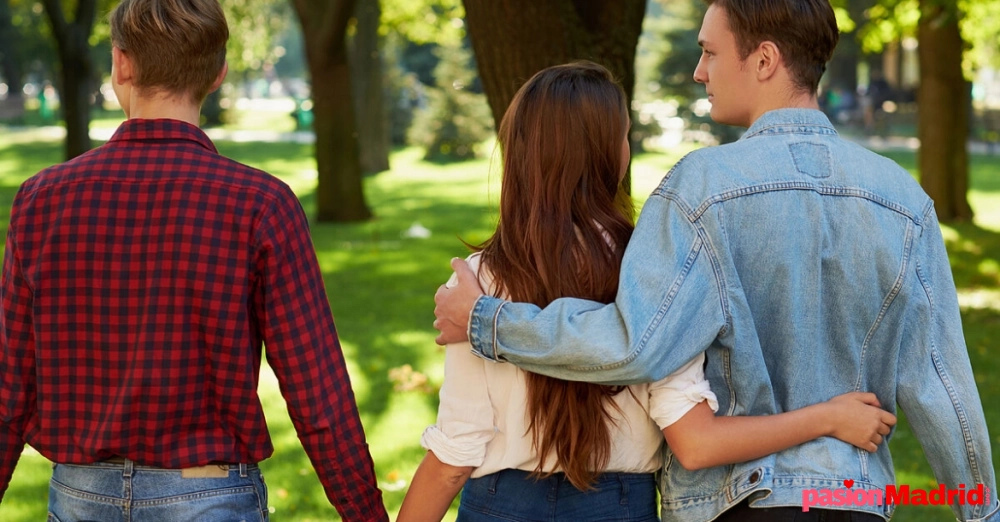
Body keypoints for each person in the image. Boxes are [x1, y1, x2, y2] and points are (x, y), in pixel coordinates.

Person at [433, 1, 998, 521]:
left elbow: (636, 344)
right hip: (851, 499)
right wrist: (981, 511)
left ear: (765, 60)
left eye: (710, 51)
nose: (700, 71)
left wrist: (489, 321)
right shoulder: (902, 199)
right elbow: (943, 385)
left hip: (735, 502)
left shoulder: (701, 188)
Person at [402, 62, 894, 522]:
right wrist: (828, 417)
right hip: (618, 505)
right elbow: (696, 442)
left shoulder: (476, 284)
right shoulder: (660, 268)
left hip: (500, 504)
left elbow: (454, 454)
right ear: (610, 153)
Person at [0, 0, 387, 520]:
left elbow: (9, 385)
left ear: (121, 65)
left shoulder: (41, 200)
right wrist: (365, 512)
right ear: (219, 74)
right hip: (208, 497)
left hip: (80, 496)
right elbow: (316, 389)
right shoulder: (259, 203)